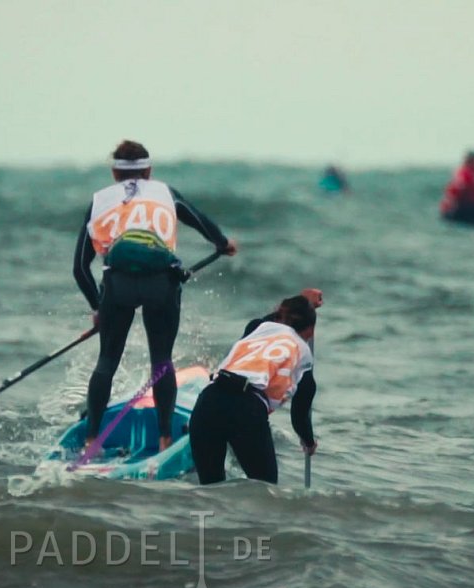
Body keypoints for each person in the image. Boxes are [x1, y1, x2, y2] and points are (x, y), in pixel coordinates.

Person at [75, 140, 238, 451]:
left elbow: (80, 268)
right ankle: (165, 439)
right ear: (149, 171)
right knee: (161, 361)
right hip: (161, 285)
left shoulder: (99, 201)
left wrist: (98, 307)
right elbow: (202, 222)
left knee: (106, 361)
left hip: (117, 286)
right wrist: (222, 243)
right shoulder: (165, 192)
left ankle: (91, 439)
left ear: (114, 173)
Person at [190, 294, 318, 485]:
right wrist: (308, 442)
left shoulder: (255, 329)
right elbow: (299, 417)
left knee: (210, 488)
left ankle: (206, 516)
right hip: (246, 410)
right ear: (310, 331)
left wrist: (302, 301)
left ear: (279, 314)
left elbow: (268, 320)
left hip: (209, 400)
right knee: (264, 490)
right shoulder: (303, 358)